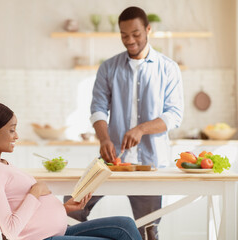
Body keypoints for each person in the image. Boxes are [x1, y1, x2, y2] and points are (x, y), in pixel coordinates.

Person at [65, 6, 184, 240]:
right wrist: (104, 139)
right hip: (110, 161)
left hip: (150, 163)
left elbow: (174, 114)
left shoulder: (168, 68)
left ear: (148, 29)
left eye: (136, 34)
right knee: (71, 208)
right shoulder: (109, 67)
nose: (130, 40)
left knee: (148, 229)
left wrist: (142, 129)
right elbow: (98, 108)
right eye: (124, 35)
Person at [0, 101, 142, 240]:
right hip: (43, 238)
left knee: (125, 225)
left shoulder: (2, 165)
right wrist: (35, 192)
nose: (17, 136)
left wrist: (64, 208)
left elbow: (26, 210)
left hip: (57, 232)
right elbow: (11, 231)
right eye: (12, 130)